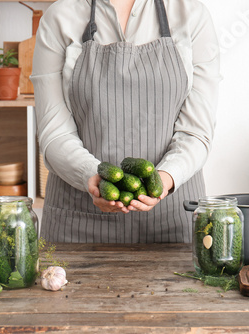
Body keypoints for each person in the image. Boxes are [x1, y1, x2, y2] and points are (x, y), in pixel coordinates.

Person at [31, 0, 221, 243]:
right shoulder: (59, 17)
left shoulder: (191, 15)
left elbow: (197, 131)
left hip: (172, 222)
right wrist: (91, 175)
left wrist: (164, 178)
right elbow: (53, 132)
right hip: (77, 223)